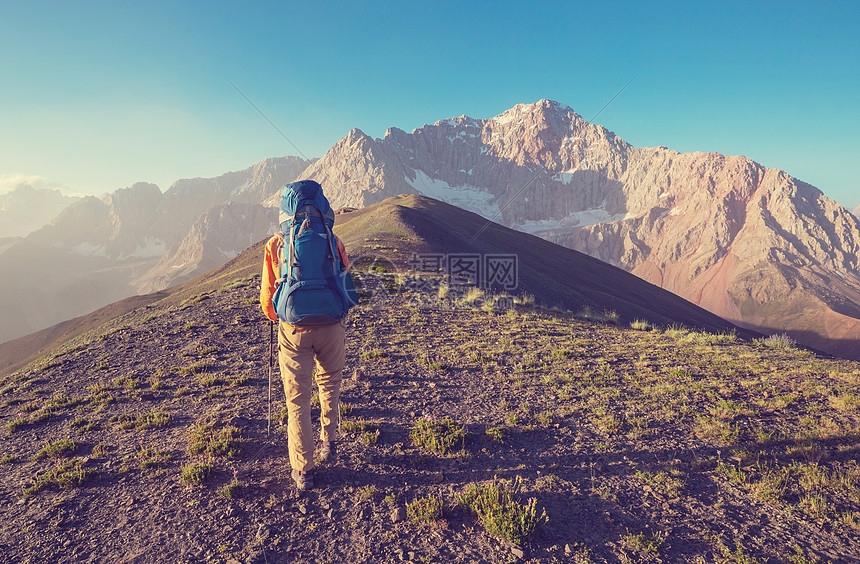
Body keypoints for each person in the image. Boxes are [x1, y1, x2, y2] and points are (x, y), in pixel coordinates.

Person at [260, 180, 351, 491]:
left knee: (297, 400)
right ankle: (330, 441)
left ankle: (303, 470)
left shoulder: (275, 246)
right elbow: (344, 282)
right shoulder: (334, 241)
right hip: (332, 326)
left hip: (294, 330)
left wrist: (280, 316)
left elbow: (267, 300)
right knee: (330, 384)